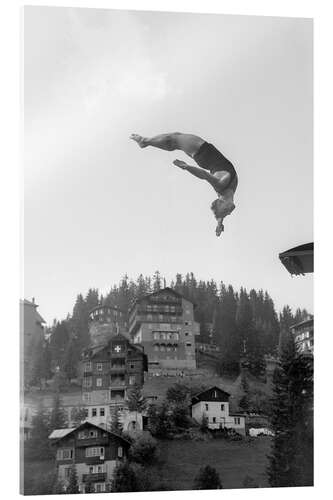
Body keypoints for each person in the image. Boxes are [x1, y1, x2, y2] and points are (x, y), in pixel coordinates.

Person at [130, 132, 238, 236]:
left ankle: (144, 141)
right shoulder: (228, 196)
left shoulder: (221, 185)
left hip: (203, 152)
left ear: (222, 201)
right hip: (206, 157)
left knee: (174, 139)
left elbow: (204, 175)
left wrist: (187, 167)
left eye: (226, 211)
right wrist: (220, 222)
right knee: (175, 138)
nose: (230, 213)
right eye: (227, 212)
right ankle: (146, 142)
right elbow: (222, 210)